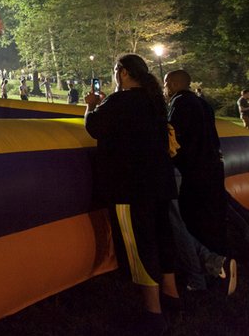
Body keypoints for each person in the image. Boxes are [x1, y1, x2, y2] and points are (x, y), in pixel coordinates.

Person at [84, 54, 179, 333]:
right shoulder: (154, 102)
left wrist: (90, 106)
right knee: (162, 237)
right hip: (159, 183)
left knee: (139, 244)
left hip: (130, 187)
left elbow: (94, 128)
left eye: (116, 70)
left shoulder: (119, 101)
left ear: (123, 73)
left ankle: (153, 313)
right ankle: (171, 295)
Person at [163, 69, 236, 294]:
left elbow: (173, 138)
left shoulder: (179, 104)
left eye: (166, 84)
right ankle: (219, 260)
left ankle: (207, 268)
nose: (164, 89)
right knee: (213, 218)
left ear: (173, 84)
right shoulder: (202, 103)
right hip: (213, 166)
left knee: (193, 220)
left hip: (193, 170)